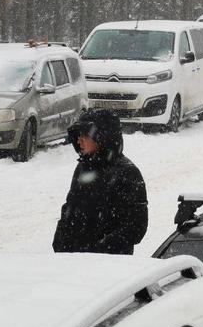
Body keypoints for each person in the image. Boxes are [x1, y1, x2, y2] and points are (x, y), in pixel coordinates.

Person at [53, 109, 147, 255]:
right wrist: (61, 242)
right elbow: (70, 207)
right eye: (78, 136)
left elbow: (135, 227)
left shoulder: (127, 173)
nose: (79, 140)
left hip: (107, 266)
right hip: (72, 264)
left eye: (85, 135)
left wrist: (99, 250)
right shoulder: (83, 167)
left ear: (102, 138)